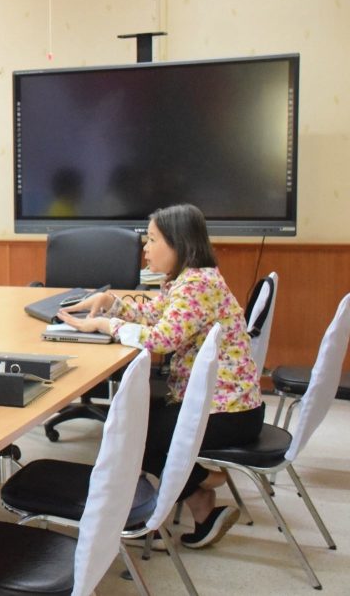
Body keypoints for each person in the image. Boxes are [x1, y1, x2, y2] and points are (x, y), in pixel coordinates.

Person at [58, 203, 264, 549]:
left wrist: (107, 325)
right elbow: (156, 314)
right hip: (225, 407)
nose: (145, 248)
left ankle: (188, 498)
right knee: (136, 426)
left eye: (153, 240)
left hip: (229, 415)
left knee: (134, 435)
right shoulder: (189, 279)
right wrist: (110, 302)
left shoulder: (197, 284)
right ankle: (201, 494)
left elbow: (161, 340)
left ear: (178, 243)